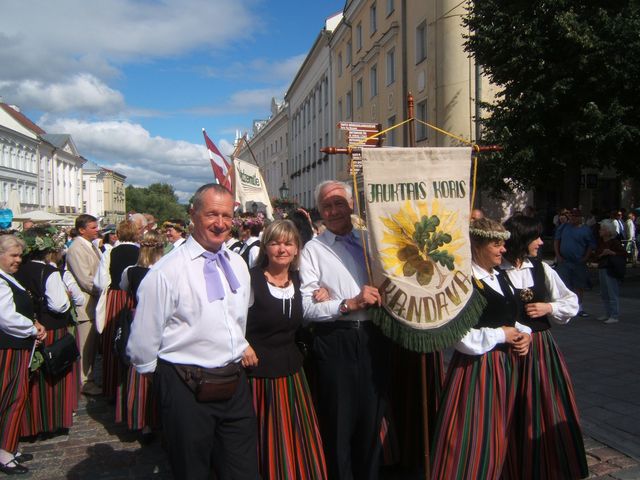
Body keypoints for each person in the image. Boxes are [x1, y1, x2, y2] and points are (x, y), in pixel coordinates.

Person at [127, 184, 258, 479]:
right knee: (192, 471)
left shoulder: (237, 263)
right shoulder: (166, 272)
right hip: (186, 387)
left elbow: (238, 318)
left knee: (243, 470)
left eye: (227, 215)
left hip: (234, 383)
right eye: (212, 214)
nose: (221, 223)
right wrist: (167, 386)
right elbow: (142, 344)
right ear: (193, 214)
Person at [299, 180, 390, 480]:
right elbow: (308, 308)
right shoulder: (313, 250)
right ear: (319, 211)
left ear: (352, 205)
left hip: (375, 337)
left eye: (339, 203)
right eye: (327, 205)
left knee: (372, 419)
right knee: (339, 423)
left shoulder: (370, 240)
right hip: (337, 339)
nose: (334, 210)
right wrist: (347, 303)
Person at [430, 218, 532, 479]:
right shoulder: (464, 282)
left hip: (508, 366)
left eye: (503, 244)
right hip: (478, 370)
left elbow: (510, 318)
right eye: (496, 245)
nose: (503, 250)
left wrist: (524, 333)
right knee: (476, 433)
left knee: (504, 431)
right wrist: (501, 335)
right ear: (477, 245)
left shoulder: (500, 276)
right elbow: (459, 335)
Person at [501, 215, 588, 479]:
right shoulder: (495, 271)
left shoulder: (540, 269)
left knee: (545, 404)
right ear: (521, 239)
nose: (540, 242)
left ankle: (546, 462)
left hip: (540, 349)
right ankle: (511, 464)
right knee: (511, 407)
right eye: (535, 237)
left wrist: (548, 307)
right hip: (507, 350)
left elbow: (570, 301)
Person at [244, 219, 327, 479]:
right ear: (265, 247)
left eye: (288, 243)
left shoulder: (301, 281)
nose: (282, 249)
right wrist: (242, 344)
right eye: (275, 243)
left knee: (295, 435)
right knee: (262, 435)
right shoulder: (251, 280)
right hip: (258, 375)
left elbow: (313, 314)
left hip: (292, 371)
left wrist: (324, 292)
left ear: (297, 249)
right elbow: (227, 318)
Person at [14, 226, 77, 438]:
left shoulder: (17, 270)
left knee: (29, 379)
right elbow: (59, 305)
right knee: (53, 378)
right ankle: (51, 422)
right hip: (50, 331)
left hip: (25, 330)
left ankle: (29, 424)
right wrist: (67, 296)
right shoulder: (48, 272)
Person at [0, 234, 46, 474]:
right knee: (11, 397)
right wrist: (31, 328)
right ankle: (5, 453)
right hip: (8, 347)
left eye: (20, 255)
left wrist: (33, 323)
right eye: (13, 255)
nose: (18, 260)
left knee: (14, 396)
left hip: (16, 345)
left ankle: (9, 447)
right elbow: (6, 316)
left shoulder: (8, 278)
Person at [119, 230, 165, 437]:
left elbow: (123, 288)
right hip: (160, 321)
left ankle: (140, 418)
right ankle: (157, 417)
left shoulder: (130, 271)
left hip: (138, 317)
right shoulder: (164, 270)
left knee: (140, 368)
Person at [94, 220, 140, 402]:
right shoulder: (140, 251)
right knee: (129, 338)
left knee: (113, 336)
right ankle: (130, 386)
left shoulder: (110, 252)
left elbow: (100, 281)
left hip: (115, 297)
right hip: (132, 298)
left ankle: (111, 385)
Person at [65, 214, 102, 396]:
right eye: (93, 227)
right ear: (82, 229)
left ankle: (89, 378)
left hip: (93, 305)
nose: (97, 230)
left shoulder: (91, 246)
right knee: (85, 347)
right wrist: (104, 291)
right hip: (85, 307)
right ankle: (84, 381)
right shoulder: (77, 248)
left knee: (91, 346)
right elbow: (85, 279)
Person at [554, 208, 596, 317]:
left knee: (579, 285)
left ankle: (579, 307)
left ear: (580, 217)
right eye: (571, 216)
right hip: (564, 261)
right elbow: (557, 240)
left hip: (578, 262)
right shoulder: (564, 227)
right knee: (563, 284)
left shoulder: (586, 230)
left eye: (575, 216)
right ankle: (564, 307)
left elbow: (590, 245)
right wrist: (558, 255)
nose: (572, 218)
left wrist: (586, 257)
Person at [594, 219, 627, 324]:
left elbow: (624, 254)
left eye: (602, 229)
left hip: (611, 269)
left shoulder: (614, 242)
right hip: (602, 268)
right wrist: (602, 254)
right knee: (604, 293)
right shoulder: (601, 242)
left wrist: (612, 252)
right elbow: (596, 255)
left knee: (612, 292)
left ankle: (614, 315)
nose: (600, 231)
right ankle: (607, 313)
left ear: (608, 231)